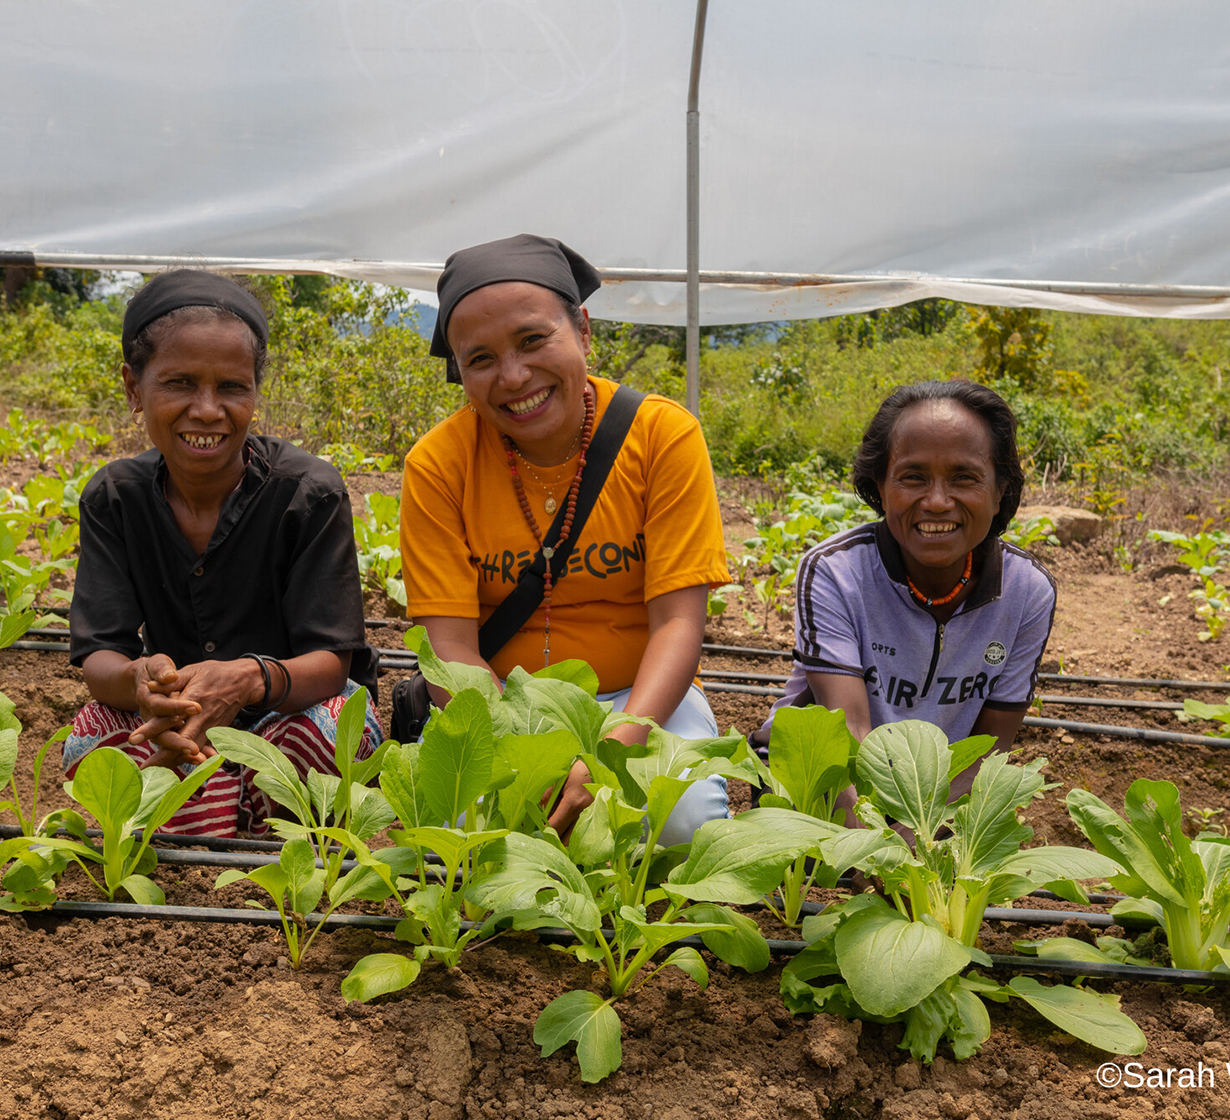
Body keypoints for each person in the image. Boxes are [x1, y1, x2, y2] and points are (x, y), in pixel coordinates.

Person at [400, 234, 732, 843]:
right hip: (497, 710)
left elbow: (678, 626)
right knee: (460, 839)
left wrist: (610, 749)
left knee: (684, 831)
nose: (514, 376)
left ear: (581, 328)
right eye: (480, 359)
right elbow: (449, 646)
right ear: (460, 371)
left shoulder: (661, 436)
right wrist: (530, 756)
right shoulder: (438, 465)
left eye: (533, 340)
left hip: (640, 702)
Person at [64, 270, 382, 837]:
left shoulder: (309, 493)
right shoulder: (115, 498)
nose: (207, 410)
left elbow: (332, 665)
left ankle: (221, 808)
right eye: (180, 383)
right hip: (177, 713)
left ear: (255, 394)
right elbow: (101, 659)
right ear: (134, 389)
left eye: (231, 387)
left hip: (290, 712)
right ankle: (235, 809)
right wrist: (143, 679)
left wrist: (247, 679)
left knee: (333, 731)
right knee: (90, 736)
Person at [764, 379, 1056, 806]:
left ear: (999, 492)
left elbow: (987, 750)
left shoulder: (1026, 591)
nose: (937, 501)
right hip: (822, 787)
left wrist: (923, 829)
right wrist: (875, 844)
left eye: (964, 477)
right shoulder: (836, 572)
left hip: (940, 801)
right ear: (880, 487)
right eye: (913, 477)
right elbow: (846, 735)